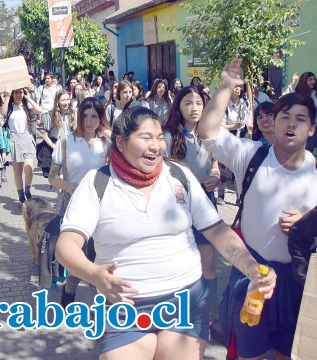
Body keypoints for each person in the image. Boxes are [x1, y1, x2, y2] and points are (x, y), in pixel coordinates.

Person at [56, 106, 277, 359]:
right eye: (146, 137)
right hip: (123, 308)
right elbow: (66, 246)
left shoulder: (179, 175)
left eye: (160, 137)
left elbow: (217, 230)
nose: (156, 146)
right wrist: (94, 275)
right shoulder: (97, 182)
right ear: (121, 141)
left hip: (185, 302)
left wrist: (249, 265)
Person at [198, 59, 317, 360]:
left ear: (312, 128)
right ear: (273, 122)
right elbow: (207, 131)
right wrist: (226, 87)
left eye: (300, 119)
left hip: (297, 282)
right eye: (285, 116)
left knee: (289, 354)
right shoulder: (251, 155)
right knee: (248, 354)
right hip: (254, 275)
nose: (291, 124)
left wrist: (306, 224)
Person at [163, 86, 222, 336]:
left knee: (208, 265)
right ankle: (176, 313)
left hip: (206, 204)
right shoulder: (168, 135)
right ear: (178, 107)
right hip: (176, 209)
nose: (195, 107)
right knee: (179, 264)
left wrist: (216, 177)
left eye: (198, 102)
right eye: (188, 103)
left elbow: (215, 164)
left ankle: (209, 316)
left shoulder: (209, 136)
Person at [48, 97, 111, 307]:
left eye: (94, 116)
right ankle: (71, 287)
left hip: (101, 205)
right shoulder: (66, 142)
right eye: (85, 115)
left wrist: (109, 135)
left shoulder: (106, 144)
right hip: (72, 205)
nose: (89, 121)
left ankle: (87, 293)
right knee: (79, 253)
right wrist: (69, 187)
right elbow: (52, 176)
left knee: (96, 253)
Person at [1, 88, 43, 205]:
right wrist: (8, 96)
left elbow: (39, 110)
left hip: (26, 138)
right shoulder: (9, 108)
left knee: (29, 168)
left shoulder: (26, 107)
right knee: (17, 171)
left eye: (21, 92)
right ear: (13, 94)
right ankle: (21, 196)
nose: (19, 95)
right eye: (16, 92)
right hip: (14, 139)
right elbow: (2, 112)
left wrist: (28, 98)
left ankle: (27, 191)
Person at [38, 90, 75, 178]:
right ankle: (61, 190)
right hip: (54, 145)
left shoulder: (73, 114)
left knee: (68, 174)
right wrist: (55, 146)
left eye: (67, 99)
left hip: (69, 145)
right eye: (63, 100)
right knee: (58, 176)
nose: (66, 103)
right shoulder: (50, 115)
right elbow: (45, 135)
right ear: (57, 101)